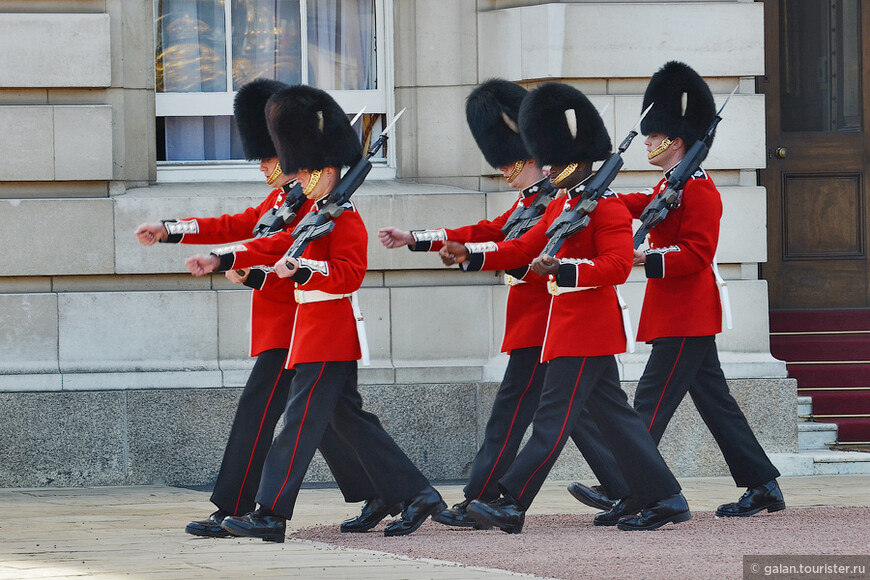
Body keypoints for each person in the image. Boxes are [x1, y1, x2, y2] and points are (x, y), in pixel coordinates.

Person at [134, 79, 393, 538]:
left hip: (298, 324)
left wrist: (226, 258)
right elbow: (239, 224)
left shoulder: (311, 203)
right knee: (330, 418)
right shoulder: (285, 198)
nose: (265, 166)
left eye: (270, 157)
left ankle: (237, 506)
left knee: (263, 411)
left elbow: (270, 246)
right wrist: (171, 229)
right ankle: (386, 490)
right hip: (287, 323)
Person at [440, 82, 690, 533]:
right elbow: (519, 247)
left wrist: (565, 268)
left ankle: (512, 502)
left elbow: (615, 267)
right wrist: (469, 254)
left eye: (554, 159)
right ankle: (665, 498)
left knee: (551, 420)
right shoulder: (563, 205)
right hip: (567, 327)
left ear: (575, 162)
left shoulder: (607, 208)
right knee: (618, 420)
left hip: (587, 327)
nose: (547, 166)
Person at [378, 79, 628, 528]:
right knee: (587, 412)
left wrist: (475, 252)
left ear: (534, 157)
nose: (507, 171)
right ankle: (632, 488)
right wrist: (418, 238)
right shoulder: (530, 200)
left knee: (529, 413)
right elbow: (490, 232)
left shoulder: (562, 197)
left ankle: (489, 497)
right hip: (541, 320)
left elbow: (532, 252)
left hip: (552, 318)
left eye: (513, 163)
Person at [219, 84, 445, 542]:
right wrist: (236, 260)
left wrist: (299, 267)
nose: (297, 179)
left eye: (305, 172)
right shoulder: (316, 212)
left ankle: (270, 514)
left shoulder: (346, 217)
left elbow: (348, 275)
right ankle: (416, 493)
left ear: (326, 170)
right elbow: (280, 246)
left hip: (329, 332)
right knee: (349, 423)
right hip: (311, 331)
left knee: (299, 426)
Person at [571, 61, 784, 520]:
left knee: (646, 405)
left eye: (653, 135)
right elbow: (639, 203)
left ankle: (629, 487)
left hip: (687, 313)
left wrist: (643, 258)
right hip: (676, 312)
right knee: (716, 404)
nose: (647, 142)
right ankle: (763, 485)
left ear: (675, 140)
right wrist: (592, 196)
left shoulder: (701, 191)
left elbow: (698, 255)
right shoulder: (672, 185)